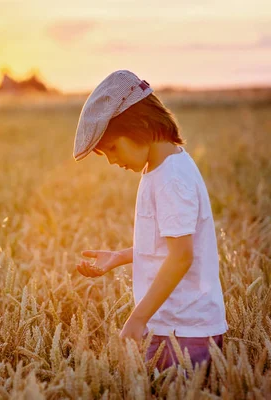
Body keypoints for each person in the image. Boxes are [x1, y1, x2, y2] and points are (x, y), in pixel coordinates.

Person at [72, 70, 228, 376]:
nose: (113, 161)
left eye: (113, 148)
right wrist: (119, 257)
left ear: (141, 126)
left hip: (184, 330)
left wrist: (137, 319)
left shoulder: (171, 179)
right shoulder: (161, 168)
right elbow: (167, 245)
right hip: (170, 322)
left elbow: (182, 256)